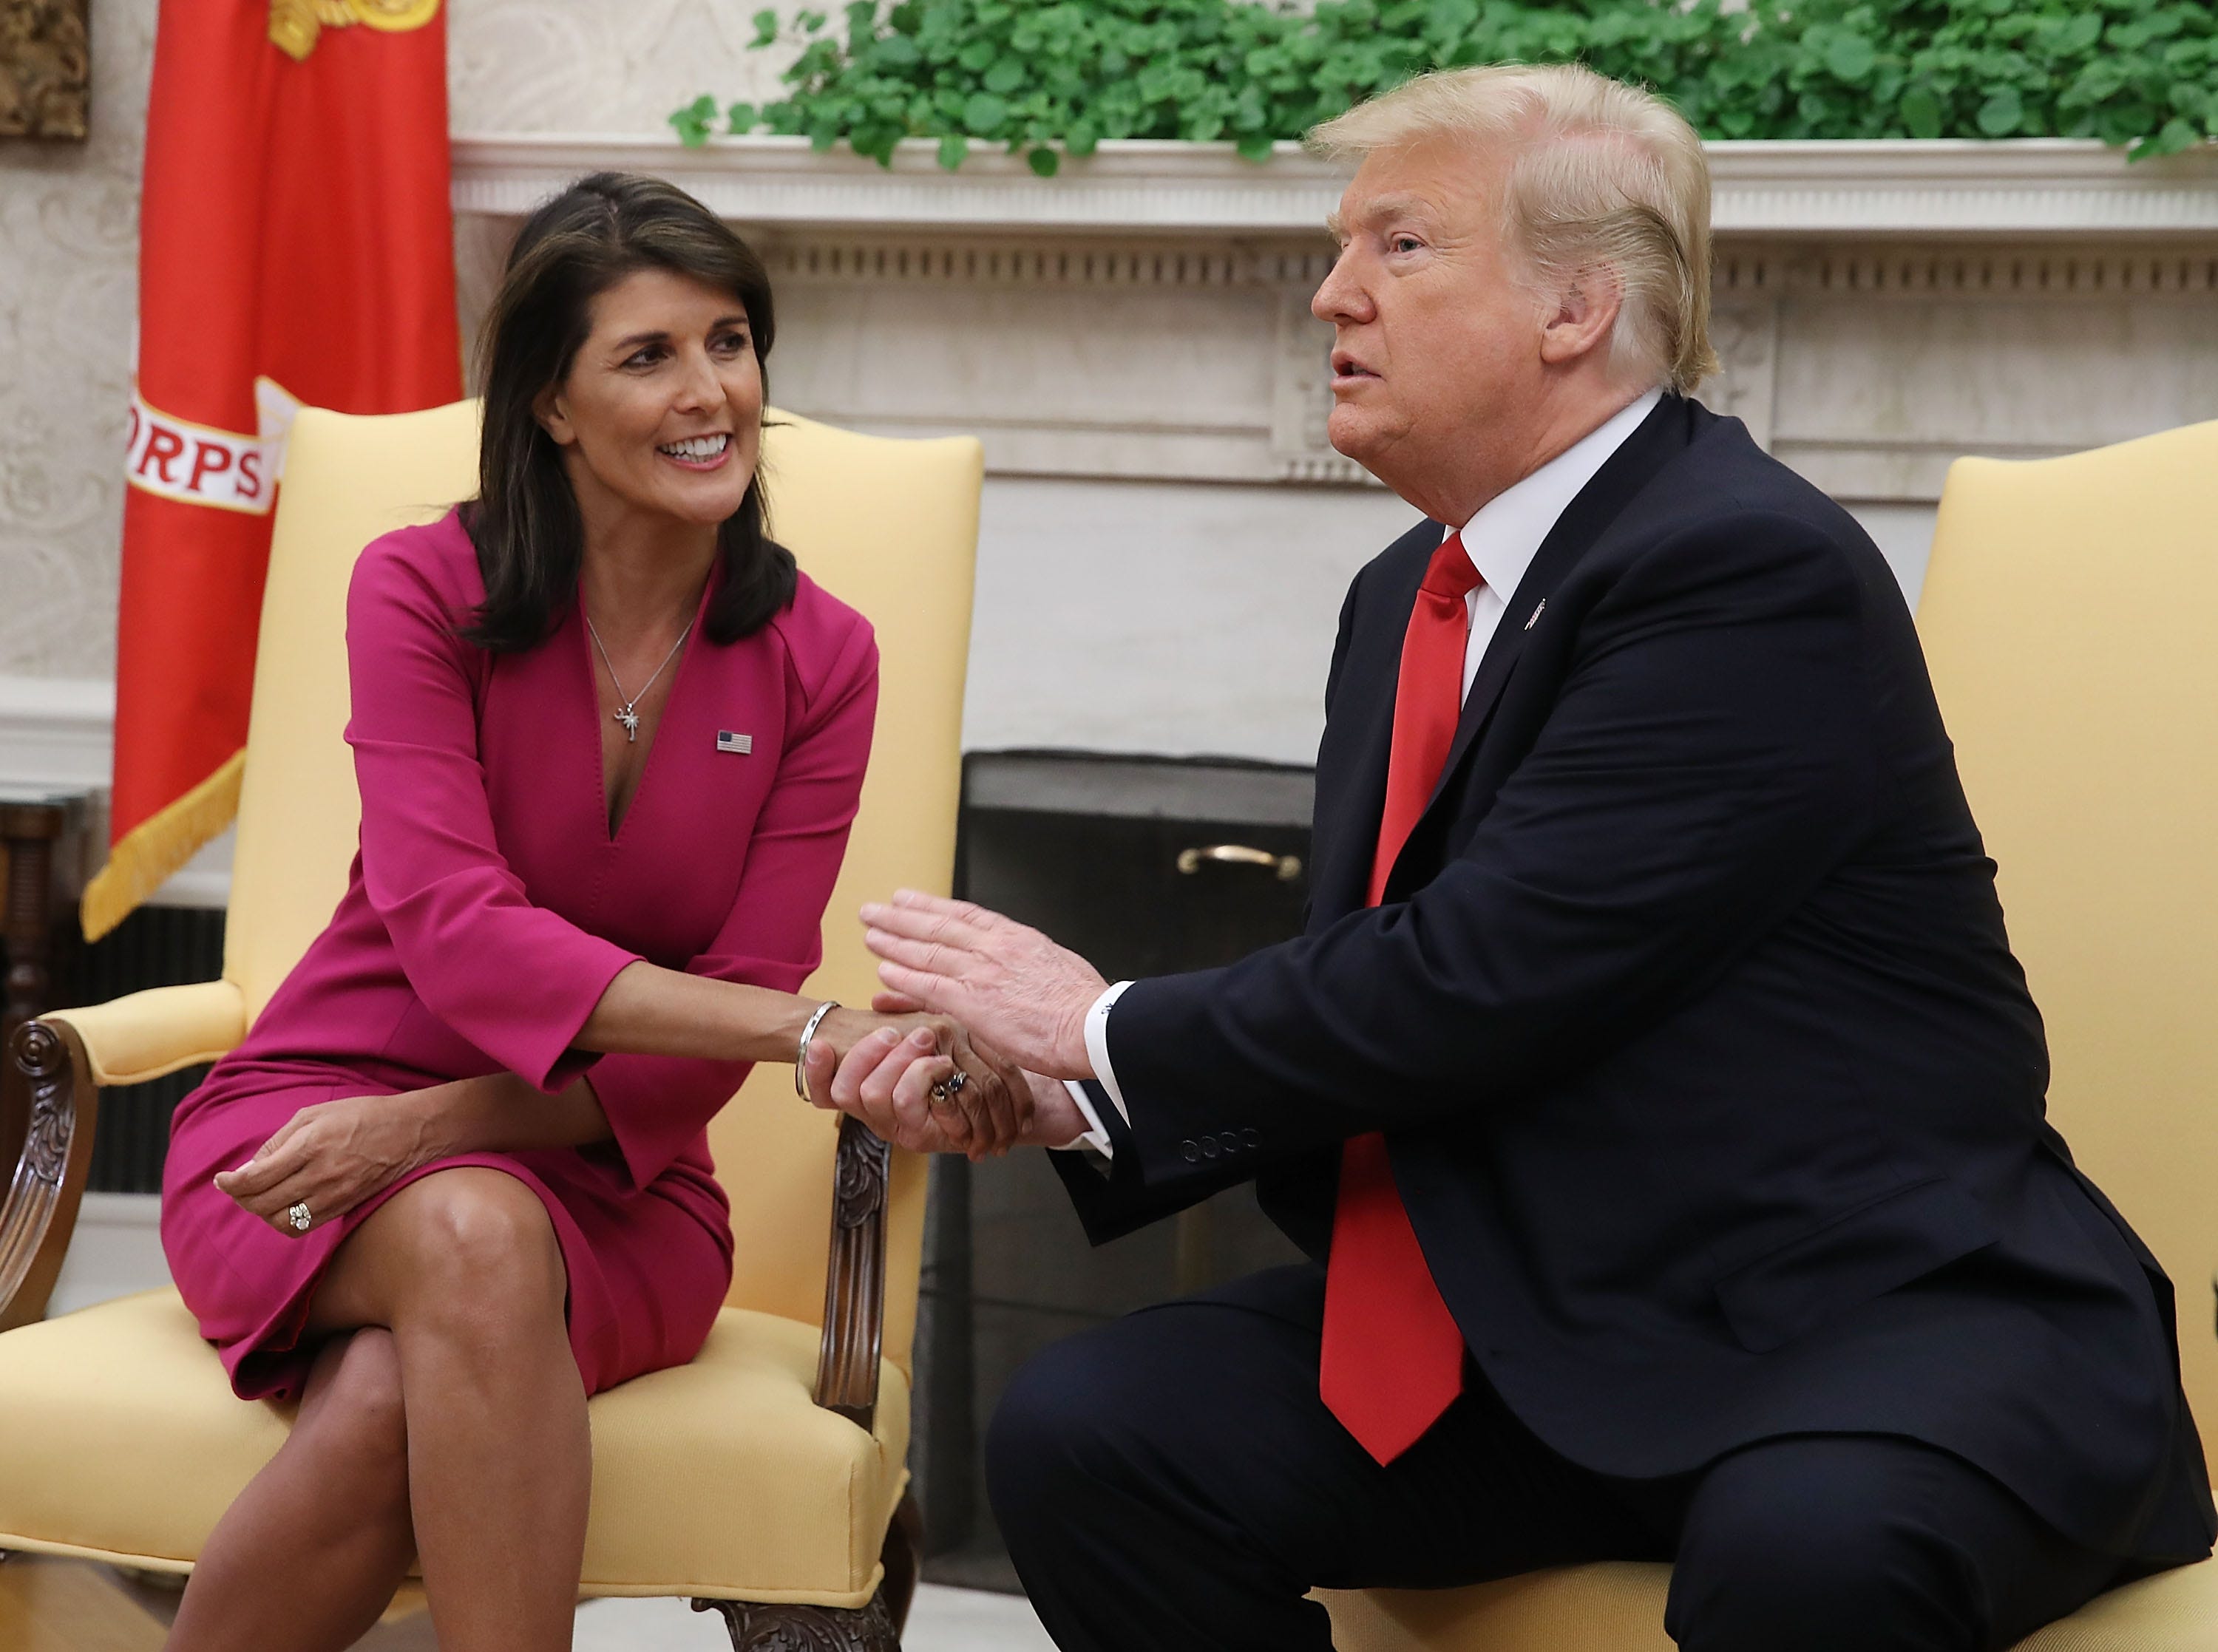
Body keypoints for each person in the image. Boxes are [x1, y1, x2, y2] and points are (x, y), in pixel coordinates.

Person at [813, 64, 2216, 1652]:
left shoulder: (1742, 565)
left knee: (1810, 1555)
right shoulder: (1406, 590)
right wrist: (1078, 1098)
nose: (1332, 293)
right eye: (1340, 247)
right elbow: (1396, 1016)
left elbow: (1476, 975)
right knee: (1096, 1432)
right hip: (1555, 1327)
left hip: (1865, 1315)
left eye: (1399, 248)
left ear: (1576, 311)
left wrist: (1098, 1023)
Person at [156, 171, 1025, 1652]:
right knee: (468, 1255)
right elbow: (458, 930)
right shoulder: (420, 586)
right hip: (302, 1130)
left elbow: (692, 1059)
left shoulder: (824, 653)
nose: (715, 394)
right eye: (650, 354)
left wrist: (431, 1127)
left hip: (618, 1187)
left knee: (420, 1330)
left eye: (733, 340)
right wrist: (823, 1029)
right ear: (551, 402)